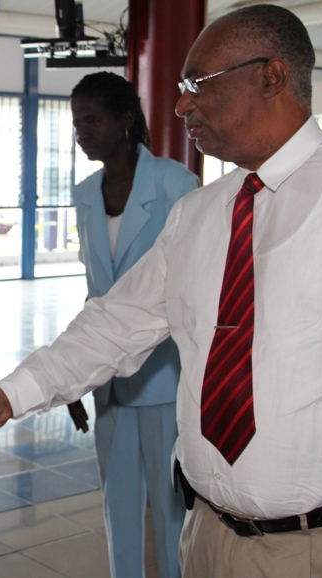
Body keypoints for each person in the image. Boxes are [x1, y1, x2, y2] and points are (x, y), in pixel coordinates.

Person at [0, 5, 322, 577]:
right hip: (208, 539)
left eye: (197, 84)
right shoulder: (198, 214)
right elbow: (115, 325)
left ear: (270, 75)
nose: (181, 105)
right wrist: (7, 396)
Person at [65, 71, 198, 578]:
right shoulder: (84, 194)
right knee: (117, 499)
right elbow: (97, 292)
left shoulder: (175, 185)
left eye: (92, 120)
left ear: (125, 121)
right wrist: (76, 368)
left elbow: (190, 287)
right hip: (109, 376)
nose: (83, 133)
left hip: (165, 372)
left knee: (169, 504)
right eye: (77, 125)